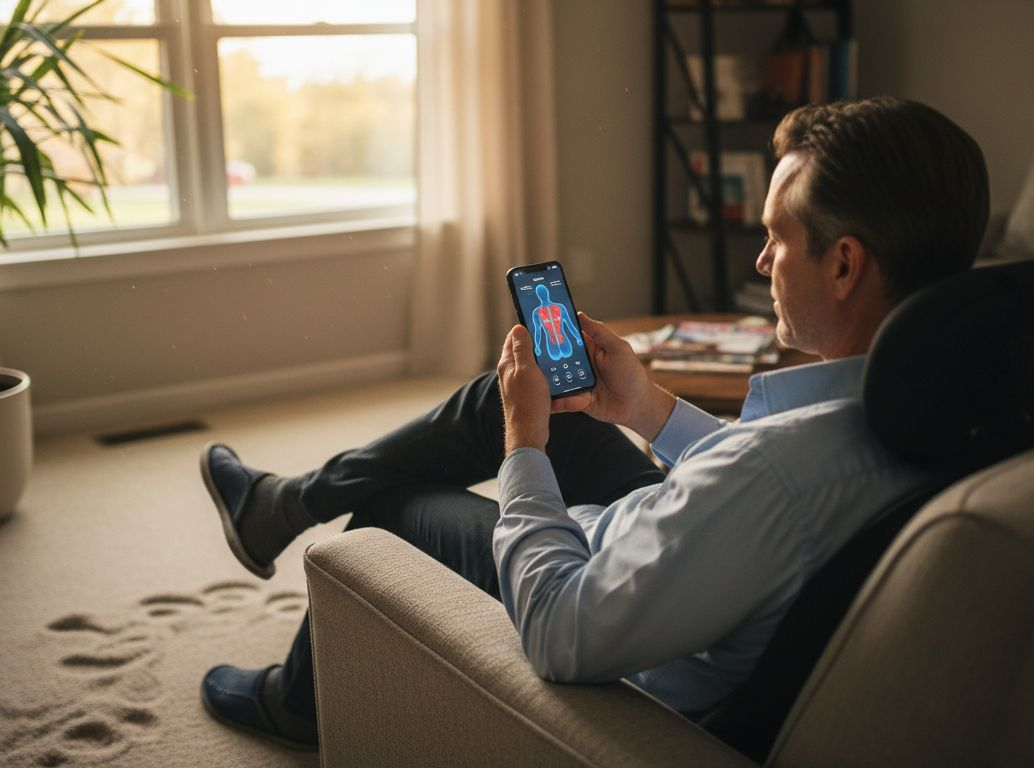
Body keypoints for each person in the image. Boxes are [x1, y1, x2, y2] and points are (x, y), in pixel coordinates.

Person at [196, 96, 990, 748]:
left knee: (398, 510)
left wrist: (524, 448)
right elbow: (775, 484)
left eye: (776, 239)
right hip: (694, 551)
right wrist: (645, 408)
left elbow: (562, 630)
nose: (760, 263)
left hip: (609, 600)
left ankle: (299, 700)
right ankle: (282, 505)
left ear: (845, 263)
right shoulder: (951, 402)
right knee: (512, 398)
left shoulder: (778, 475)